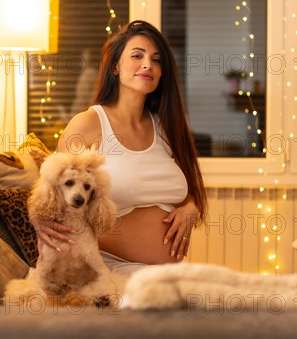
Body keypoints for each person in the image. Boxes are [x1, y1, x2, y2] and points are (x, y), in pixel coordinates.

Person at [33, 20, 207, 275]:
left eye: (157, 60)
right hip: (104, 267)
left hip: (165, 274)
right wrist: (38, 220)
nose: (148, 64)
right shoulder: (89, 124)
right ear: (116, 66)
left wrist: (191, 208)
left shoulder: (166, 128)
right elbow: (55, 195)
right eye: (137, 55)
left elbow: (185, 194)